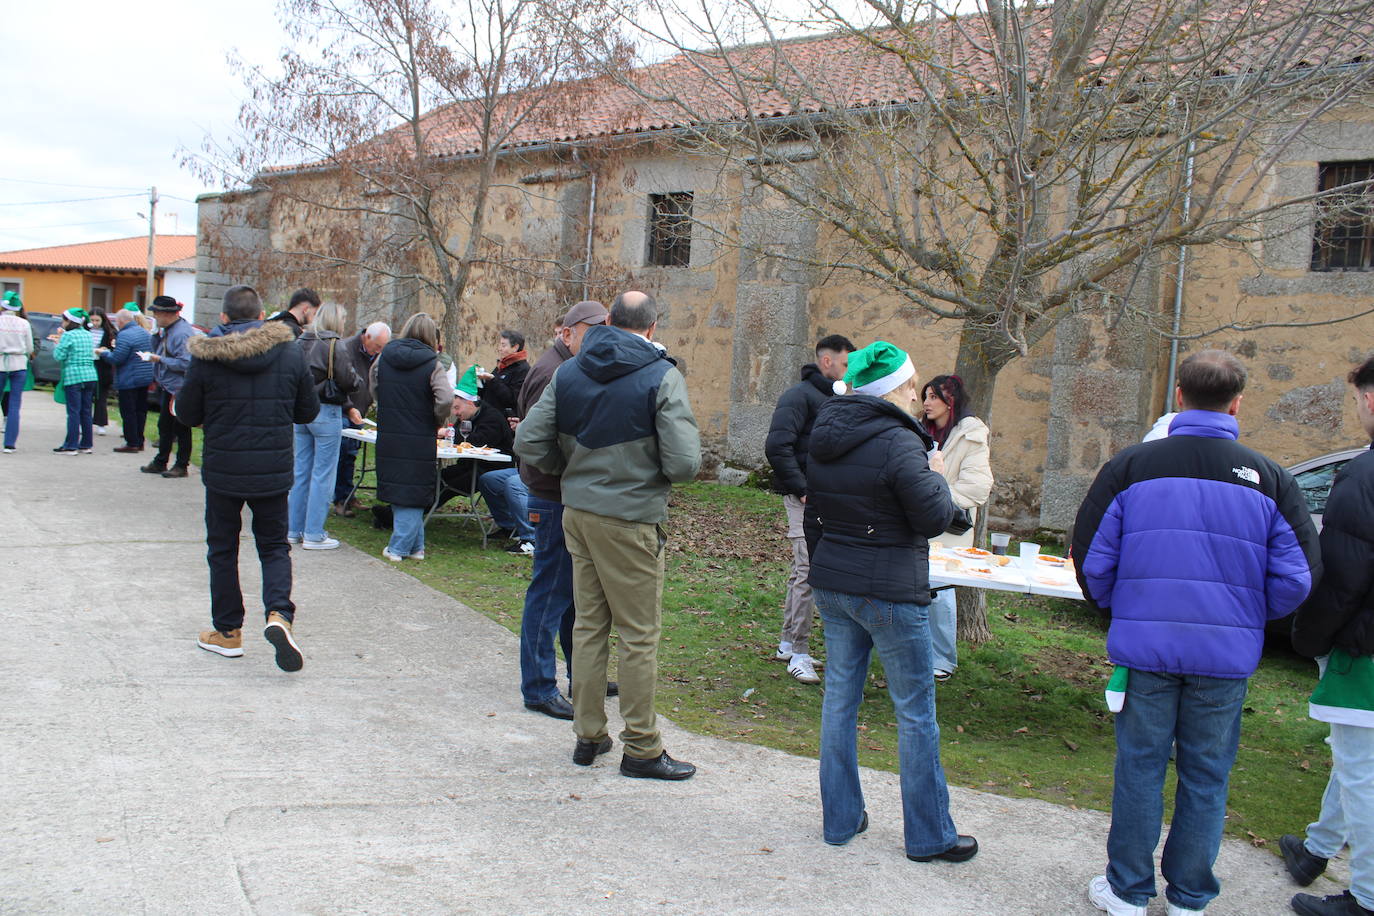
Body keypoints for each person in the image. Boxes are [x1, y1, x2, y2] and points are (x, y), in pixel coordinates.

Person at [1072, 348, 1321, 916]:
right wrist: (1247, 616)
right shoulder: (1268, 477)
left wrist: (1126, 608)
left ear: (1178, 396)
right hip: (1222, 655)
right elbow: (1297, 577)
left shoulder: (1131, 466)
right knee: (1206, 776)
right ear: (1237, 403)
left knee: (1139, 766)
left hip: (1149, 651)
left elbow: (1091, 562)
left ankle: (1129, 890)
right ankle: (1188, 896)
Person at [515, 290, 701, 779]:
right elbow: (684, 464)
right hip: (632, 519)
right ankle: (641, 746)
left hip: (578, 513)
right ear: (652, 328)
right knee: (638, 635)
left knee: (589, 626)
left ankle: (588, 734)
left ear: (609, 321)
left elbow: (529, 440)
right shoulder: (662, 375)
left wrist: (573, 468)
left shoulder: (569, 370)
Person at [804, 340, 974, 864]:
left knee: (839, 702)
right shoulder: (901, 441)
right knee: (916, 713)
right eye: (910, 381)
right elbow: (931, 517)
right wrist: (938, 478)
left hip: (834, 582)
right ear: (896, 387)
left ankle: (840, 819)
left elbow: (815, 513)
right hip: (888, 591)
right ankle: (929, 835)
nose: (916, 391)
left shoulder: (826, 432)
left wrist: (825, 565)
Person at [179, 285, 318, 671]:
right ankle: (278, 615)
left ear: (223, 318)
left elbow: (187, 414)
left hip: (224, 469)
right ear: (262, 317)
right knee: (274, 547)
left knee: (222, 549)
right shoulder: (290, 351)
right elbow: (307, 410)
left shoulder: (206, 356)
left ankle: (227, 632)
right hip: (272, 470)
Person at [1282, 355, 1374, 916]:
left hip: (1364, 652)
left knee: (1363, 769)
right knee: (1354, 754)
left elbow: (1343, 577)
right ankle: (1317, 848)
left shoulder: (1364, 475)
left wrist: (1309, 637)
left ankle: (1365, 895)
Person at [513, 299, 609, 720]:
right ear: (566, 333)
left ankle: (582, 674)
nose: (600, 339)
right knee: (550, 592)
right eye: (592, 331)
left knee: (573, 595)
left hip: (565, 496)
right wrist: (565, 474)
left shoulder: (568, 366)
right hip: (551, 498)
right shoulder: (552, 371)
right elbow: (534, 444)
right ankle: (538, 687)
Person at [764, 333, 855, 685]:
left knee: (802, 569)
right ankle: (799, 653)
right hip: (806, 499)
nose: (850, 372)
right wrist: (802, 489)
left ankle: (788, 642)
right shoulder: (798, 396)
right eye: (846, 364)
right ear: (826, 361)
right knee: (808, 571)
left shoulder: (833, 397)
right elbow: (777, 446)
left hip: (823, 498)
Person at [920, 374, 993, 682]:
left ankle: (943, 660)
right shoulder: (917, 432)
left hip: (948, 526)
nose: (926, 403)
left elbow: (978, 489)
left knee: (941, 592)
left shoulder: (971, 434)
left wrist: (934, 492)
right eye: (924, 396)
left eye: (933, 397)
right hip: (916, 520)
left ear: (951, 401)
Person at [371, 313, 452, 562]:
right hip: (418, 434)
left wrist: (382, 404)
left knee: (400, 487)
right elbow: (446, 398)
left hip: (390, 430)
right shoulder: (433, 363)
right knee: (413, 489)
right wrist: (437, 419)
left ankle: (415, 546)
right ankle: (401, 548)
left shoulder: (384, 356)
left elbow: (373, 381)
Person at [288, 303, 362, 550]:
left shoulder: (301, 342)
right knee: (323, 474)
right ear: (335, 321)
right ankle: (314, 533)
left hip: (302, 411)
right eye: (342, 319)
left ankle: (293, 529)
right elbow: (349, 380)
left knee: (301, 472)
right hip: (326, 412)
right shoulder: (334, 344)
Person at [439, 366, 515, 522]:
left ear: (470, 403)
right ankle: (406, 510)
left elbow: (475, 442)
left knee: (448, 485)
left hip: (490, 470)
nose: (455, 413)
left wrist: (448, 434)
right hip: (470, 465)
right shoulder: (466, 418)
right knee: (439, 476)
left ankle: (412, 512)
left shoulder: (492, 418)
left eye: (457, 408)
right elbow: (460, 439)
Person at [332, 321, 391, 517]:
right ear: (366, 337)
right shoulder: (346, 349)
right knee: (342, 453)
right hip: (345, 410)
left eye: (382, 347)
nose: (379, 351)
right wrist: (348, 408)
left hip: (361, 410)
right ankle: (340, 499)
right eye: (377, 346)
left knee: (351, 455)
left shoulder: (376, 354)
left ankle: (349, 494)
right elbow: (339, 382)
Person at [141, 296, 197, 478]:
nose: (155, 317)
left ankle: (181, 465)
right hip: (168, 386)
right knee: (164, 426)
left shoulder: (181, 333)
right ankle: (161, 461)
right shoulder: (168, 330)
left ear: (167, 314)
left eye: (156, 314)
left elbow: (186, 363)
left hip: (179, 388)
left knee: (181, 428)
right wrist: (155, 336)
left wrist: (159, 359)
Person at [97, 309, 154, 453]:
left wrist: (104, 353)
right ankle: (139, 441)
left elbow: (117, 358)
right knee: (140, 411)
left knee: (128, 411)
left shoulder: (124, 335)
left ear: (121, 321)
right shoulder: (144, 332)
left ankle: (132, 442)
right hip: (144, 377)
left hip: (129, 378)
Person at [51, 308, 98, 455]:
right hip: (90, 375)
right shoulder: (88, 334)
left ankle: (71, 445)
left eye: (64, 319)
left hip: (74, 376)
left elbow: (59, 356)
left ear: (70, 321)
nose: (62, 322)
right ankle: (86, 444)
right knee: (86, 411)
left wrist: (57, 342)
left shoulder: (68, 336)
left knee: (73, 412)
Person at [0, 292, 35, 454]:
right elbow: (30, 348)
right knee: (14, 405)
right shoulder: (23, 323)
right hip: (19, 364)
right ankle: (10, 444)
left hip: (0, 362)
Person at [476, 329, 530, 415]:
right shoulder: (502, 365)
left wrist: (492, 379)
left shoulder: (523, 369)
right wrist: (480, 379)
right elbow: (487, 393)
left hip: (505, 421)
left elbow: (512, 399)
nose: (499, 349)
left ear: (515, 347)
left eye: (503, 345)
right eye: (500, 345)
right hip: (489, 416)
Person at [87, 307, 115, 437]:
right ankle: (85, 423)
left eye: (97, 320)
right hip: (88, 363)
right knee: (86, 395)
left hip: (102, 366)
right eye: (92, 320)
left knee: (101, 396)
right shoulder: (85, 330)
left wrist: (105, 350)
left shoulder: (109, 332)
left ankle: (101, 423)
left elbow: (114, 348)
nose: (95, 323)